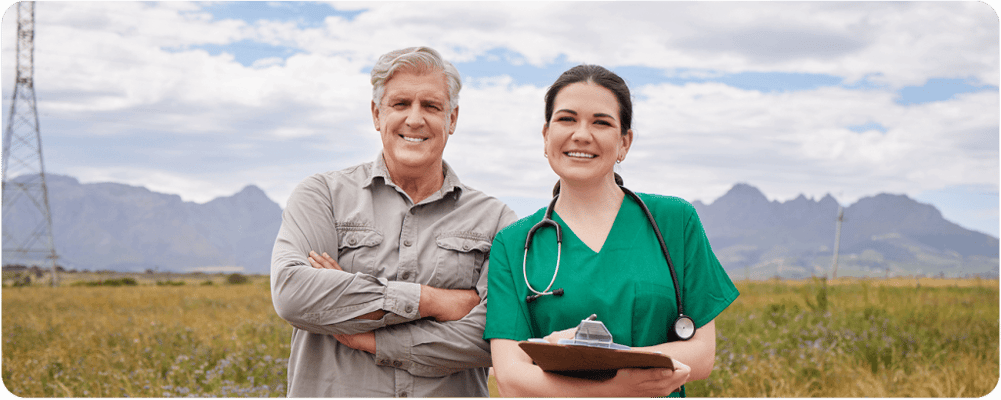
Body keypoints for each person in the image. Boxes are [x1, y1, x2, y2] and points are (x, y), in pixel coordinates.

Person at [271, 46, 518, 398]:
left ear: (452, 119)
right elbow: (293, 294)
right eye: (401, 104)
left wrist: (371, 337)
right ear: (376, 114)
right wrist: (433, 301)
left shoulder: (497, 221)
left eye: (431, 106)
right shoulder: (321, 196)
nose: (415, 120)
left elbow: (494, 337)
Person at [484, 64, 739, 397]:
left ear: (624, 142)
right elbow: (511, 378)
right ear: (546, 136)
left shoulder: (676, 221)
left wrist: (576, 354)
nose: (582, 134)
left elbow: (701, 354)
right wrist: (619, 386)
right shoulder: (514, 243)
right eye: (567, 119)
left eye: (601, 122)